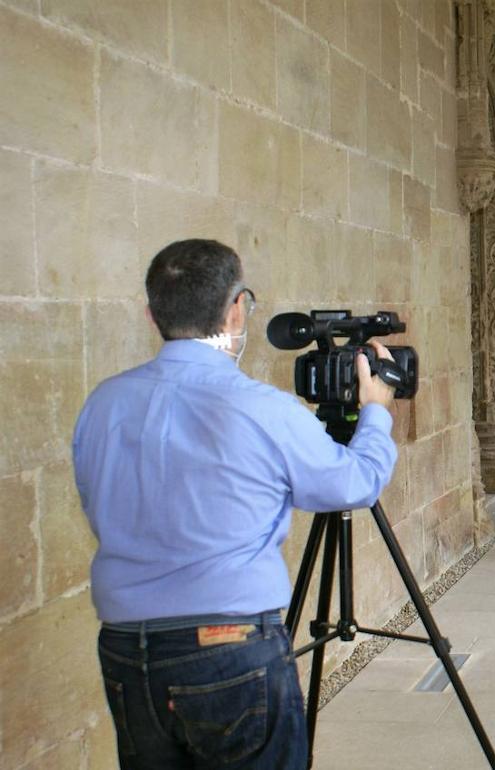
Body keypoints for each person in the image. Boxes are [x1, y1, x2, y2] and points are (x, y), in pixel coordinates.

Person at [73, 239, 400, 769]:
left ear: (152, 313)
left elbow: (98, 506)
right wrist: (376, 412)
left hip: (127, 650)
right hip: (229, 646)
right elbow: (355, 483)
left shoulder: (103, 403)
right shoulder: (261, 408)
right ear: (236, 308)